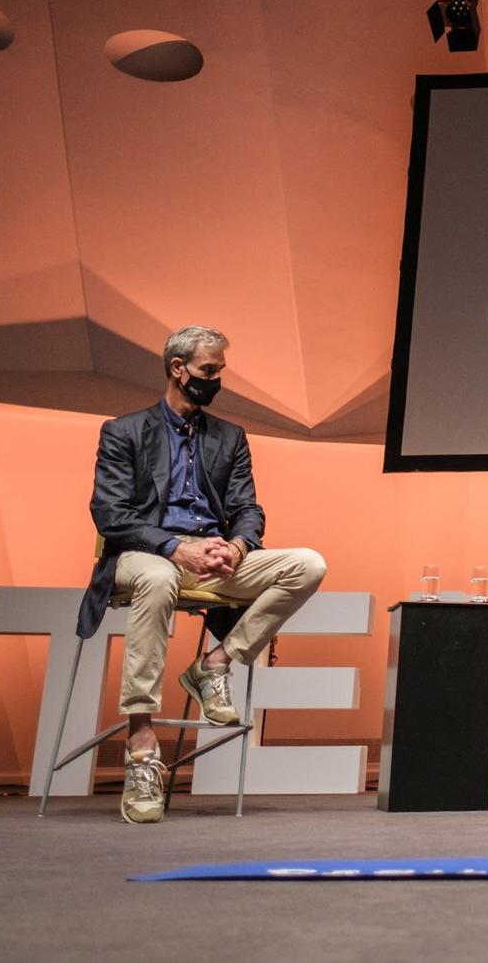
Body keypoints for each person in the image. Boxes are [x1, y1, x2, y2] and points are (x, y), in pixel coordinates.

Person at [80, 326, 327, 824]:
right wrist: (177, 547)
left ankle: (215, 664)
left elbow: (248, 509)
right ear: (178, 368)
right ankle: (141, 740)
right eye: (208, 371)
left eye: (219, 372)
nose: (216, 381)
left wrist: (236, 547)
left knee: (307, 564)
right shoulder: (124, 431)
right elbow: (111, 515)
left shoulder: (230, 437)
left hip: (213, 560)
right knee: (158, 577)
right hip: (143, 555)